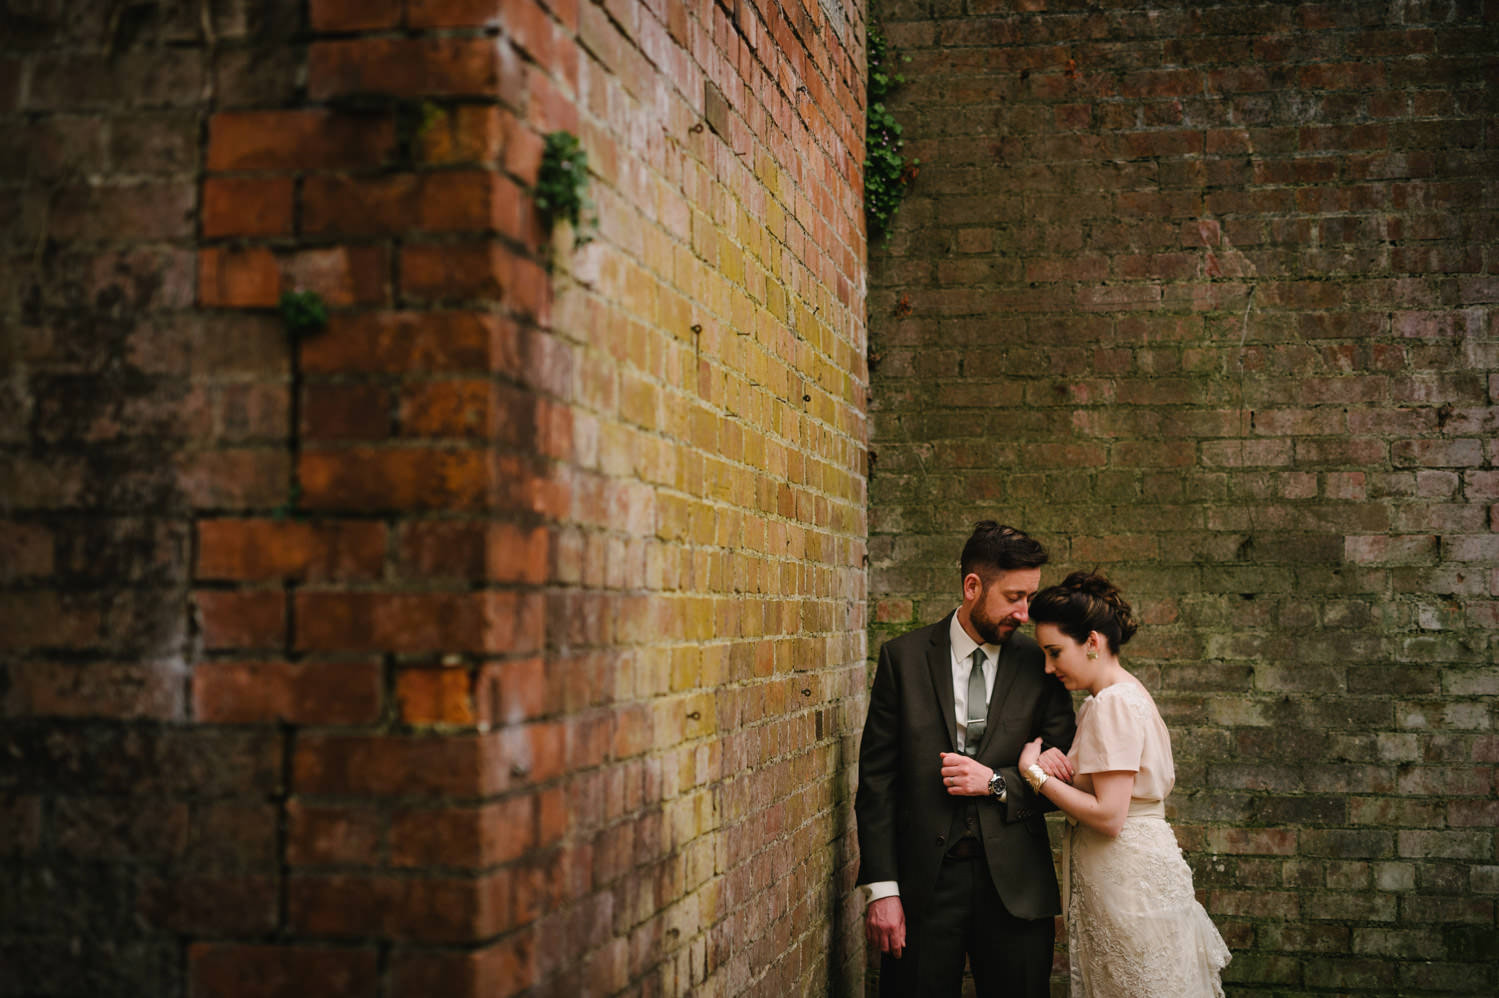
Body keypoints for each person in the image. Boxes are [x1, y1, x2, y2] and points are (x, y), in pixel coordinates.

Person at [855, 522, 1077, 998]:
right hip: (923, 890)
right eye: (1015, 597)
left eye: (1030, 598)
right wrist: (883, 890)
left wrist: (996, 783)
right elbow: (877, 782)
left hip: (1016, 889)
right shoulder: (903, 658)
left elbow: (1067, 778)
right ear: (972, 586)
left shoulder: (1042, 664)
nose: (1025, 613)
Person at [1020, 571, 1231, 997]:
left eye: (1055, 652)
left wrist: (1035, 775)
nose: (1047, 666)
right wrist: (1060, 766)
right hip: (1134, 872)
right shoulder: (1127, 694)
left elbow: (1109, 815)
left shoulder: (1113, 702)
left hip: (1128, 881)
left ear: (1093, 643)